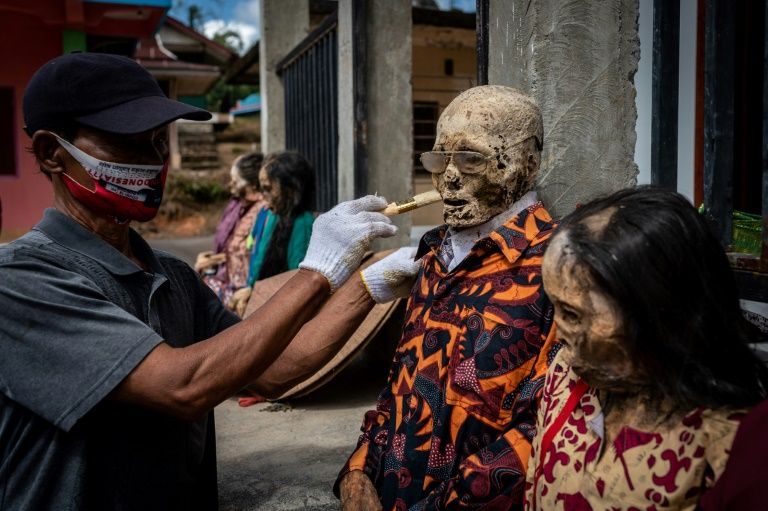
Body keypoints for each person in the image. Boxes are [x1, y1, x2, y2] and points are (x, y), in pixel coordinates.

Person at [0, 52, 420, 510]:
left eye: (159, 141)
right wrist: (319, 272)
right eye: (128, 142)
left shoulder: (172, 275)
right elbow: (182, 387)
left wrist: (369, 285)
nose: (152, 159)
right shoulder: (20, 279)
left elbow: (277, 369)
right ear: (51, 152)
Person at [336, 85, 560, 510]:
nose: (449, 177)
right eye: (440, 159)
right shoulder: (435, 254)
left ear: (526, 167)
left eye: (472, 159)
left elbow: (543, 429)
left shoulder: (559, 266)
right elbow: (398, 389)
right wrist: (358, 470)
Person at [524, 186, 768, 510]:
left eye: (572, 314)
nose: (557, 337)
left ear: (657, 314)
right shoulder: (567, 376)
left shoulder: (733, 447)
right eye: (553, 306)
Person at [229, 151, 316, 316]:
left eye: (268, 189)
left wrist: (254, 293)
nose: (263, 198)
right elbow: (260, 261)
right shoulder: (273, 216)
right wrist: (251, 289)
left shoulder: (303, 224)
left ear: (290, 190)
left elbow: (296, 282)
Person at [196, 151, 266, 307]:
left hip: (241, 288)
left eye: (235, 182)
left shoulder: (262, 213)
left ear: (253, 186)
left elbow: (246, 254)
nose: (231, 187)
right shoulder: (238, 207)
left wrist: (214, 260)